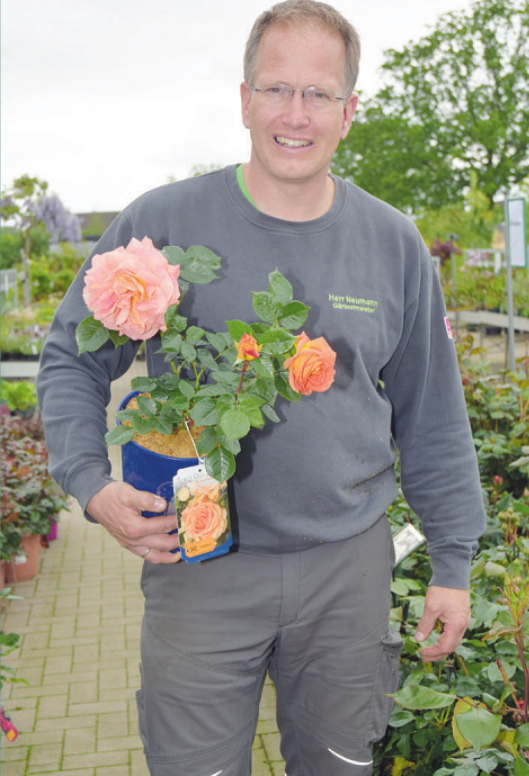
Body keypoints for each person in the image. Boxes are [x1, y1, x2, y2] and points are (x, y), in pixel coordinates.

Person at [36, 1, 486, 774]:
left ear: (350, 110)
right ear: (243, 99)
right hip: (199, 559)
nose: (295, 115)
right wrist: (89, 483)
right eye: (275, 89)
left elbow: (433, 417)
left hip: (348, 566)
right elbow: (71, 361)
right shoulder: (161, 225)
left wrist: (451, 563)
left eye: (318, 94)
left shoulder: (392, 244)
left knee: (340, 763)